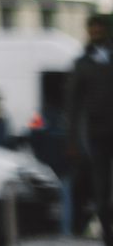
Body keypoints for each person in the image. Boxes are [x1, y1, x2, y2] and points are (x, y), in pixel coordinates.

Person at [72, 16, 113, 239]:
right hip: (97, 133)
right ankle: (108, 233)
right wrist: (72, 142)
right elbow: (73, 105)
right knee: (102, 187)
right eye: (92, 31)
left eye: (99, 31)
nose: (96, 34)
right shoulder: (82, 64)